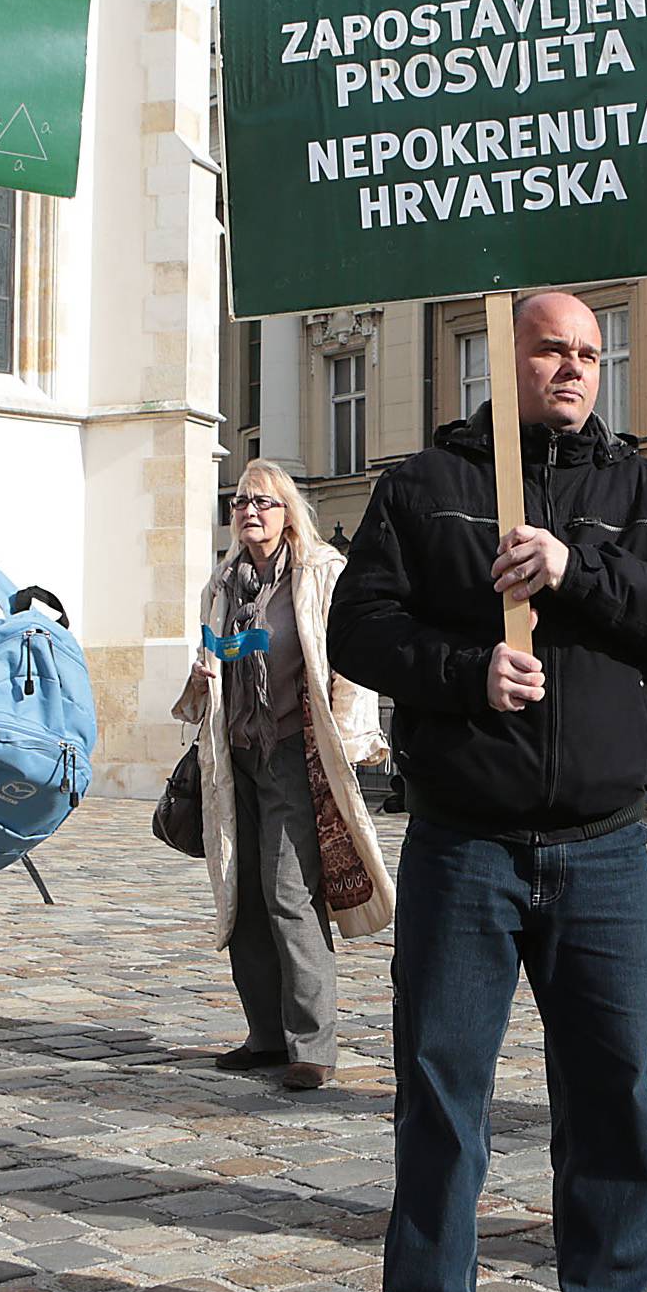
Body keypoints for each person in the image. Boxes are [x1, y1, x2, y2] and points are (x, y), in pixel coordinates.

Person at [327, 290, 647, 1292]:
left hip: (603, 849)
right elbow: (358, 626)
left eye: (593, 352)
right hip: (467, 844)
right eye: (553, 347)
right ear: (505, 356)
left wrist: (572, 570)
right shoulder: (423, 485)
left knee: (610, 1089)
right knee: (443, 1090)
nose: (576, 366)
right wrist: (463, 672)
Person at [174, 461, 393, 1090]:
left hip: (298, 752)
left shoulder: (321, 574)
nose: (250, 512)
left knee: (289, 894)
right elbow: (207, 669)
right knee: (241, 896)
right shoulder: (223, 584)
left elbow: (348, 663)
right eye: (241, 502)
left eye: (263, 503)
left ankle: (312, 1046)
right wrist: (199, 679)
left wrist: (352, 745)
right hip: (234, 752)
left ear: (288, 510)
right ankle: (265, 1036)